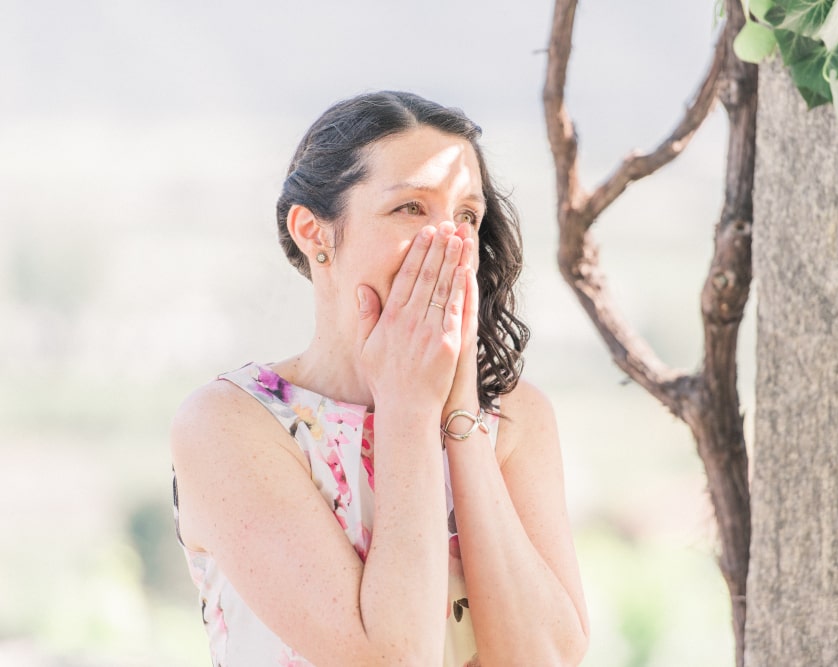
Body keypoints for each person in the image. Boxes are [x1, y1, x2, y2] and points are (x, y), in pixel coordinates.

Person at [170, 91, 589, 666]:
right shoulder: (230, 426)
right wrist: (408, 411)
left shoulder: (517, 420)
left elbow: (549, 660)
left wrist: (459, 411)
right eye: (411, 208)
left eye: (466, 215)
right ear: (314, 233)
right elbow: (392, 659)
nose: (450, 241)